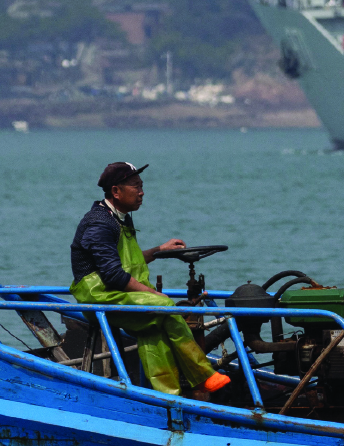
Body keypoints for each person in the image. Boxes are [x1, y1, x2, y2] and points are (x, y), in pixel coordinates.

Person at [69, 161, 230, 398]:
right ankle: (203, 375)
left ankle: (169, 396)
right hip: (100, 297)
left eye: (142, 186)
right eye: (135, 186)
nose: (142, 192)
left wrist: (159, 250)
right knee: (163, 307)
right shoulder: (100, 223)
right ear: (116, 191)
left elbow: (127, 262)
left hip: (117, 294)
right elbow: (113, 275)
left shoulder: (120, 218)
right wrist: (154, 294)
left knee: (153, 327)